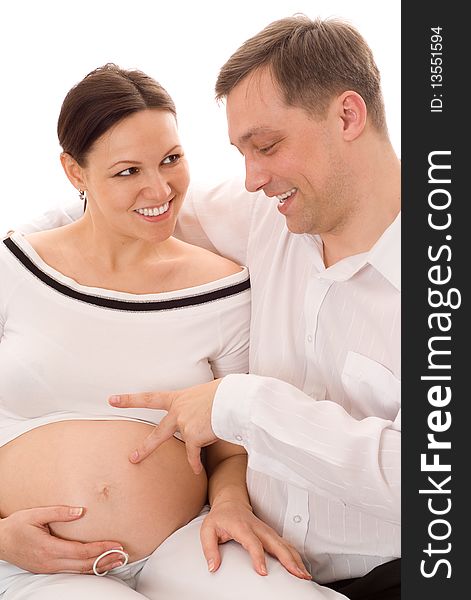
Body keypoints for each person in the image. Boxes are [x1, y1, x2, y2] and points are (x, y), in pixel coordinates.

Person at [0, 64, 344, 600]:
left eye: (170, 160)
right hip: (35, 564)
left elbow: (232, 444)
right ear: (75, 172)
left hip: (182, 542)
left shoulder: (224, 288)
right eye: (126, 172)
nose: (159, 188)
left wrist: (229, 503)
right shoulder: (13, 269)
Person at [107, 16, 401, 600]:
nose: (250, 178)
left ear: (348, 116)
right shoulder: (271, 216)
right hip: (251, 558)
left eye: (266, 146)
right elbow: (129, 214)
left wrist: (239, 405)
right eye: (241, 151)